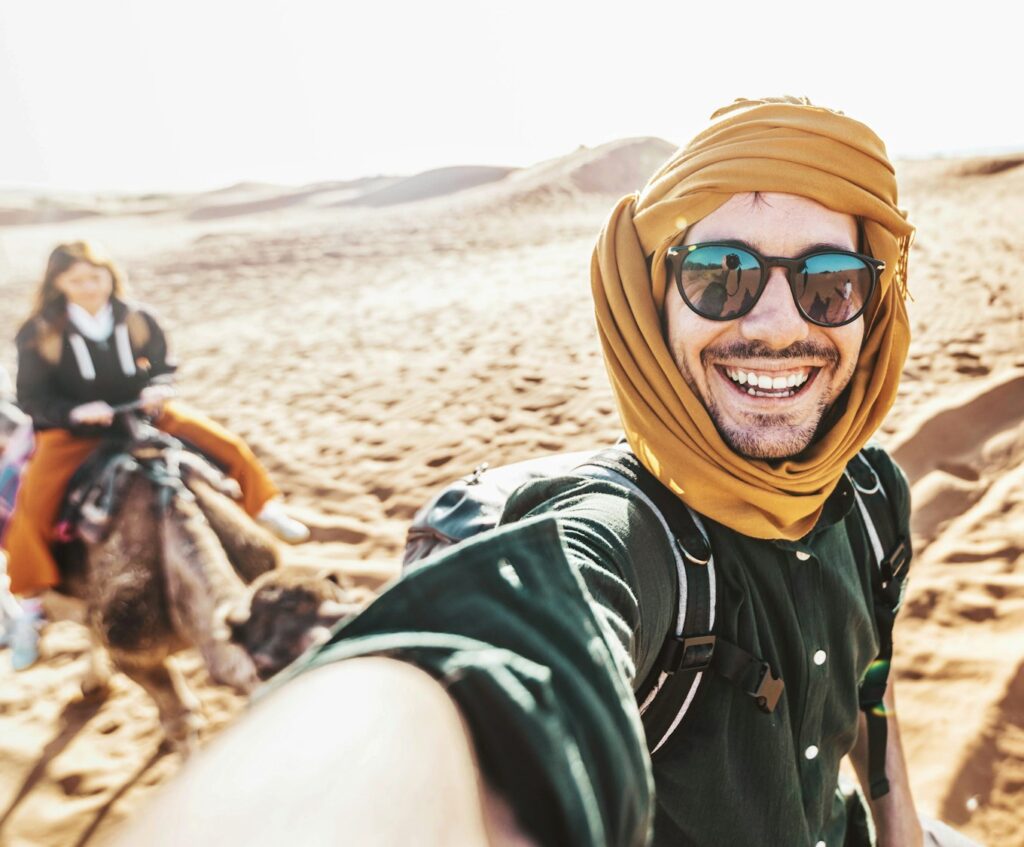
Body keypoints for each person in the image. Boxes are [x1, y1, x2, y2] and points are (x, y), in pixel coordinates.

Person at [110, 98, 978, 847]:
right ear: (653, 300)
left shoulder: (871, 497)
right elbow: (472, 671)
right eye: (722, 277)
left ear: (877, 307)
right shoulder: (624, 538)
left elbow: (869, 687)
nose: (779, 324)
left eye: (830, 284)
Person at [2, 241, 310, 670]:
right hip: (75, 433)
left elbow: (164, 362)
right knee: (32, 506)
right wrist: (74, 412)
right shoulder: (40, 331)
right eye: (77, 280)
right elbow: (32, 398)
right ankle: (31, 608)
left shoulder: (137, 317)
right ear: (58, 284)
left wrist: (159, 387)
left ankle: (265, 507)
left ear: (110, 274)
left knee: (227, 445)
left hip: (144, 414)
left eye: (96, 276)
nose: (89, 287)